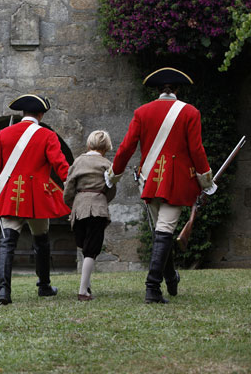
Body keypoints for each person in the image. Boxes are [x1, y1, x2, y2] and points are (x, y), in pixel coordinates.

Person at [105, 67, 214, 303]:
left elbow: (126, 148)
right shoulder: (190, 112)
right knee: (164, 231)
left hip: (149, 180)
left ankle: (171, 279)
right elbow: (196, 150)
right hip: (177, 182)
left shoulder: (142, 112)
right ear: (176, 90)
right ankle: (152, 287)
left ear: (158, 90)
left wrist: (114, 175)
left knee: (161, 231)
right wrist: (206, 180)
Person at [0, 94, 71, 305]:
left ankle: (4, 292)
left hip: (10, 196)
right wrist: (74, 185)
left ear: (23, 113)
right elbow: (61, 166)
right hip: (37, 197)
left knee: (7, 243)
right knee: (41, 241)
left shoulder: (4, 134)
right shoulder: (48, 135)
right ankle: (44, 286)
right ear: (40, 114)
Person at [63, 130, 116, 301]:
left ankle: (86, 285)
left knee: (86, 248)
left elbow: (69, 187)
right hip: (97, 207)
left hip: (79, 208)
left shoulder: (78, 162)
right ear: (106, 147)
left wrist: (74, 203)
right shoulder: (107, 164)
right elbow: (111, 189)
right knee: (91, 250)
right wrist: (101, 199)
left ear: (88, 144)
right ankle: (83, 291)